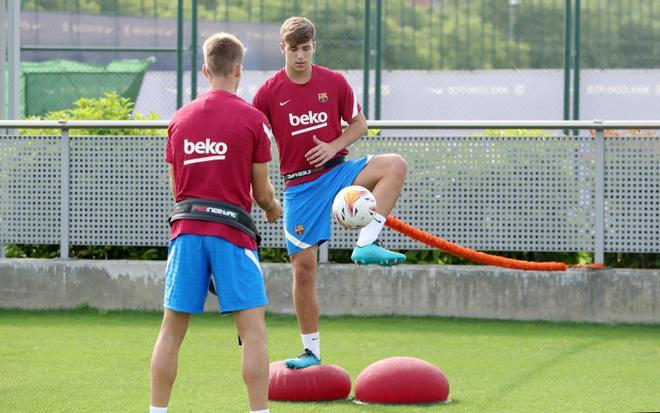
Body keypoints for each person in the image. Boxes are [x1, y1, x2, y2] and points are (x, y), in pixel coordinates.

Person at [252, 16, 407, 370]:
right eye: (294, 50)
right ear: (283, 49)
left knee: (394, 164)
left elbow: (360, 125)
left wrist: (333, 145)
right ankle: (311, 352)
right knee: (303, 273)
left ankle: (366, 244)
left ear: (314, 47)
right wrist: (263, 194)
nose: (301, 56)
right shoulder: (267, 93)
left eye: (306, 49)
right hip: (299, 187)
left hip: (338, 173)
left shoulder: (334, 82)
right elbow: (253, 141)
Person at [150, 32, 282, 413]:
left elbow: (179, 190)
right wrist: (274, 210)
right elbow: (262, 192)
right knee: (253, 331)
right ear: (239, 70)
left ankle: (157, 410)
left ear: (205, 69)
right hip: (233, 236)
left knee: (171, 331)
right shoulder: (253, 120)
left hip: (187, 233)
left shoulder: (180, 119)